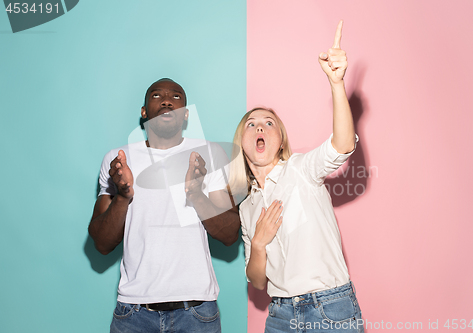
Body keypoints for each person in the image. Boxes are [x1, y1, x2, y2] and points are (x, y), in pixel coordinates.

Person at [229, 21, 364, 332]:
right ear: (242, 141)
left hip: (331, 308)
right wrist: (259, 243)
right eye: (252, 124)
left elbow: (342, 145)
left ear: (280, 140)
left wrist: (336, 84)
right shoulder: (247, 207)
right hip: (280, 316)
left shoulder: (301, 169)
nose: (260, 127)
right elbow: (257, 280)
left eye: (269, 123)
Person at [88, 78, 240, 333]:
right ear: (144, 111)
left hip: (196, 312)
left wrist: (196, 194)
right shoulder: (117, 159)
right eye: (157, 96)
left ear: (186, 114)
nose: (167, 100)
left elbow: (229, 234)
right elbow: (102, 243)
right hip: (134, 313)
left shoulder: (210, 154)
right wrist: (123, 195)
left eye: (176, 97)